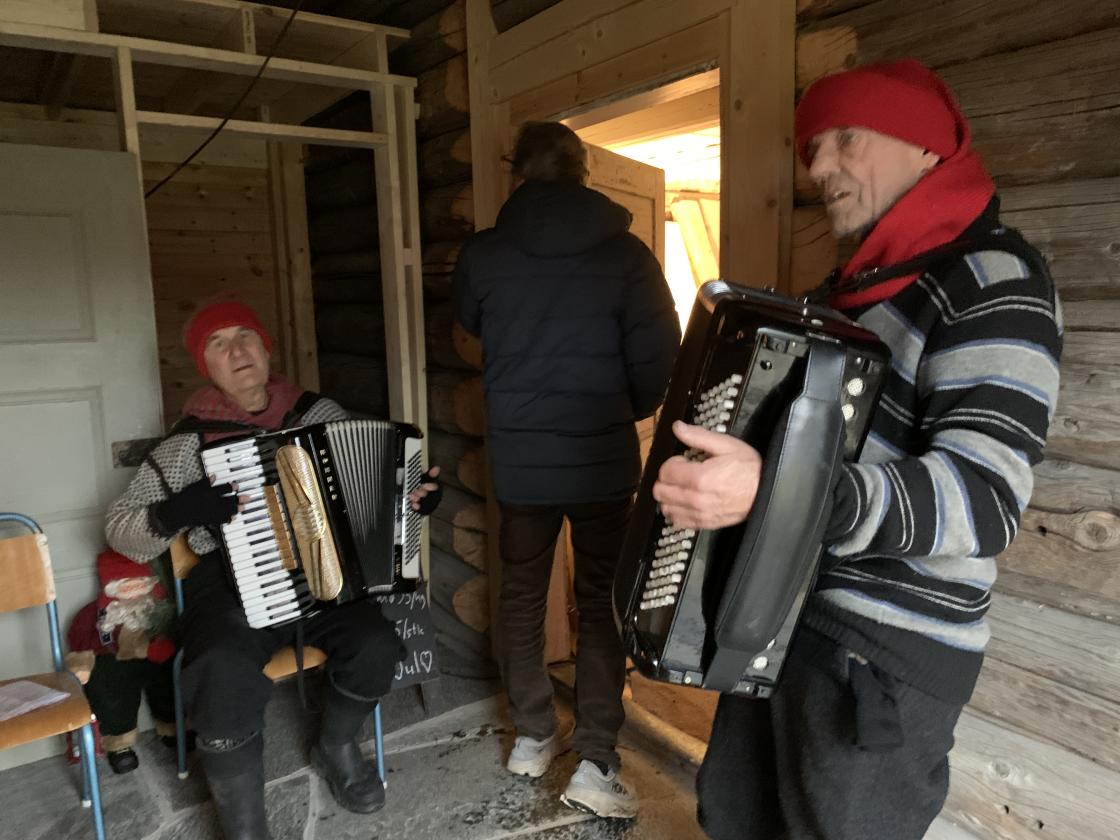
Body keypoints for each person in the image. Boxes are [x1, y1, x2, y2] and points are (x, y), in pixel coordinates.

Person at [652, 60, 1063, 840]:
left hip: (885, 651)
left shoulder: (993, 281)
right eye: (812, 147)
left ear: (926, 146)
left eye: (847, 137)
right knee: (734, 817)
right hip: (780, 614)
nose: (819, 166)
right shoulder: (845, 294)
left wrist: (777, 494)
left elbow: (984, 501)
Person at [105, 300, 441, 840]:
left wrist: (413, 500)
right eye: (218, 343)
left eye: (246, 336)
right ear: (205, 365)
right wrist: (178, 510)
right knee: (219, 667)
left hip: (326, 575)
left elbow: (375, 491)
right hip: (231, 585)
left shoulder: (317, 413)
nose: (237, 350)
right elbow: (121, 529)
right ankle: (245, 828)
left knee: (376, 644)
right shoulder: (187, 443)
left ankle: (335, 745)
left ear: (266, 348)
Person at [452, 121, 681, 818]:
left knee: (522, 595)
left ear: (516, 172)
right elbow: (661, 359)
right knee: (603, 602)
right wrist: (621, 410)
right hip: (602, 459)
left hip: (521, 461)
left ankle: (531, 735)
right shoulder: (628, 255)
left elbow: (471, 324)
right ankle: (595, 759)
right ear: (585, 172)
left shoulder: (483, 254)